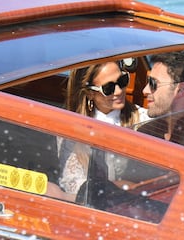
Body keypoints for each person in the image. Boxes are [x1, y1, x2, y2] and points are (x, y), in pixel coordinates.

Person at [57, 61, 150, 197]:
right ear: (90, 94)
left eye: (123, 81)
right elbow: (73, 183)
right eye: (108, 88)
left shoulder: (143, 120)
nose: (119, 91)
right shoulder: (69, 129)